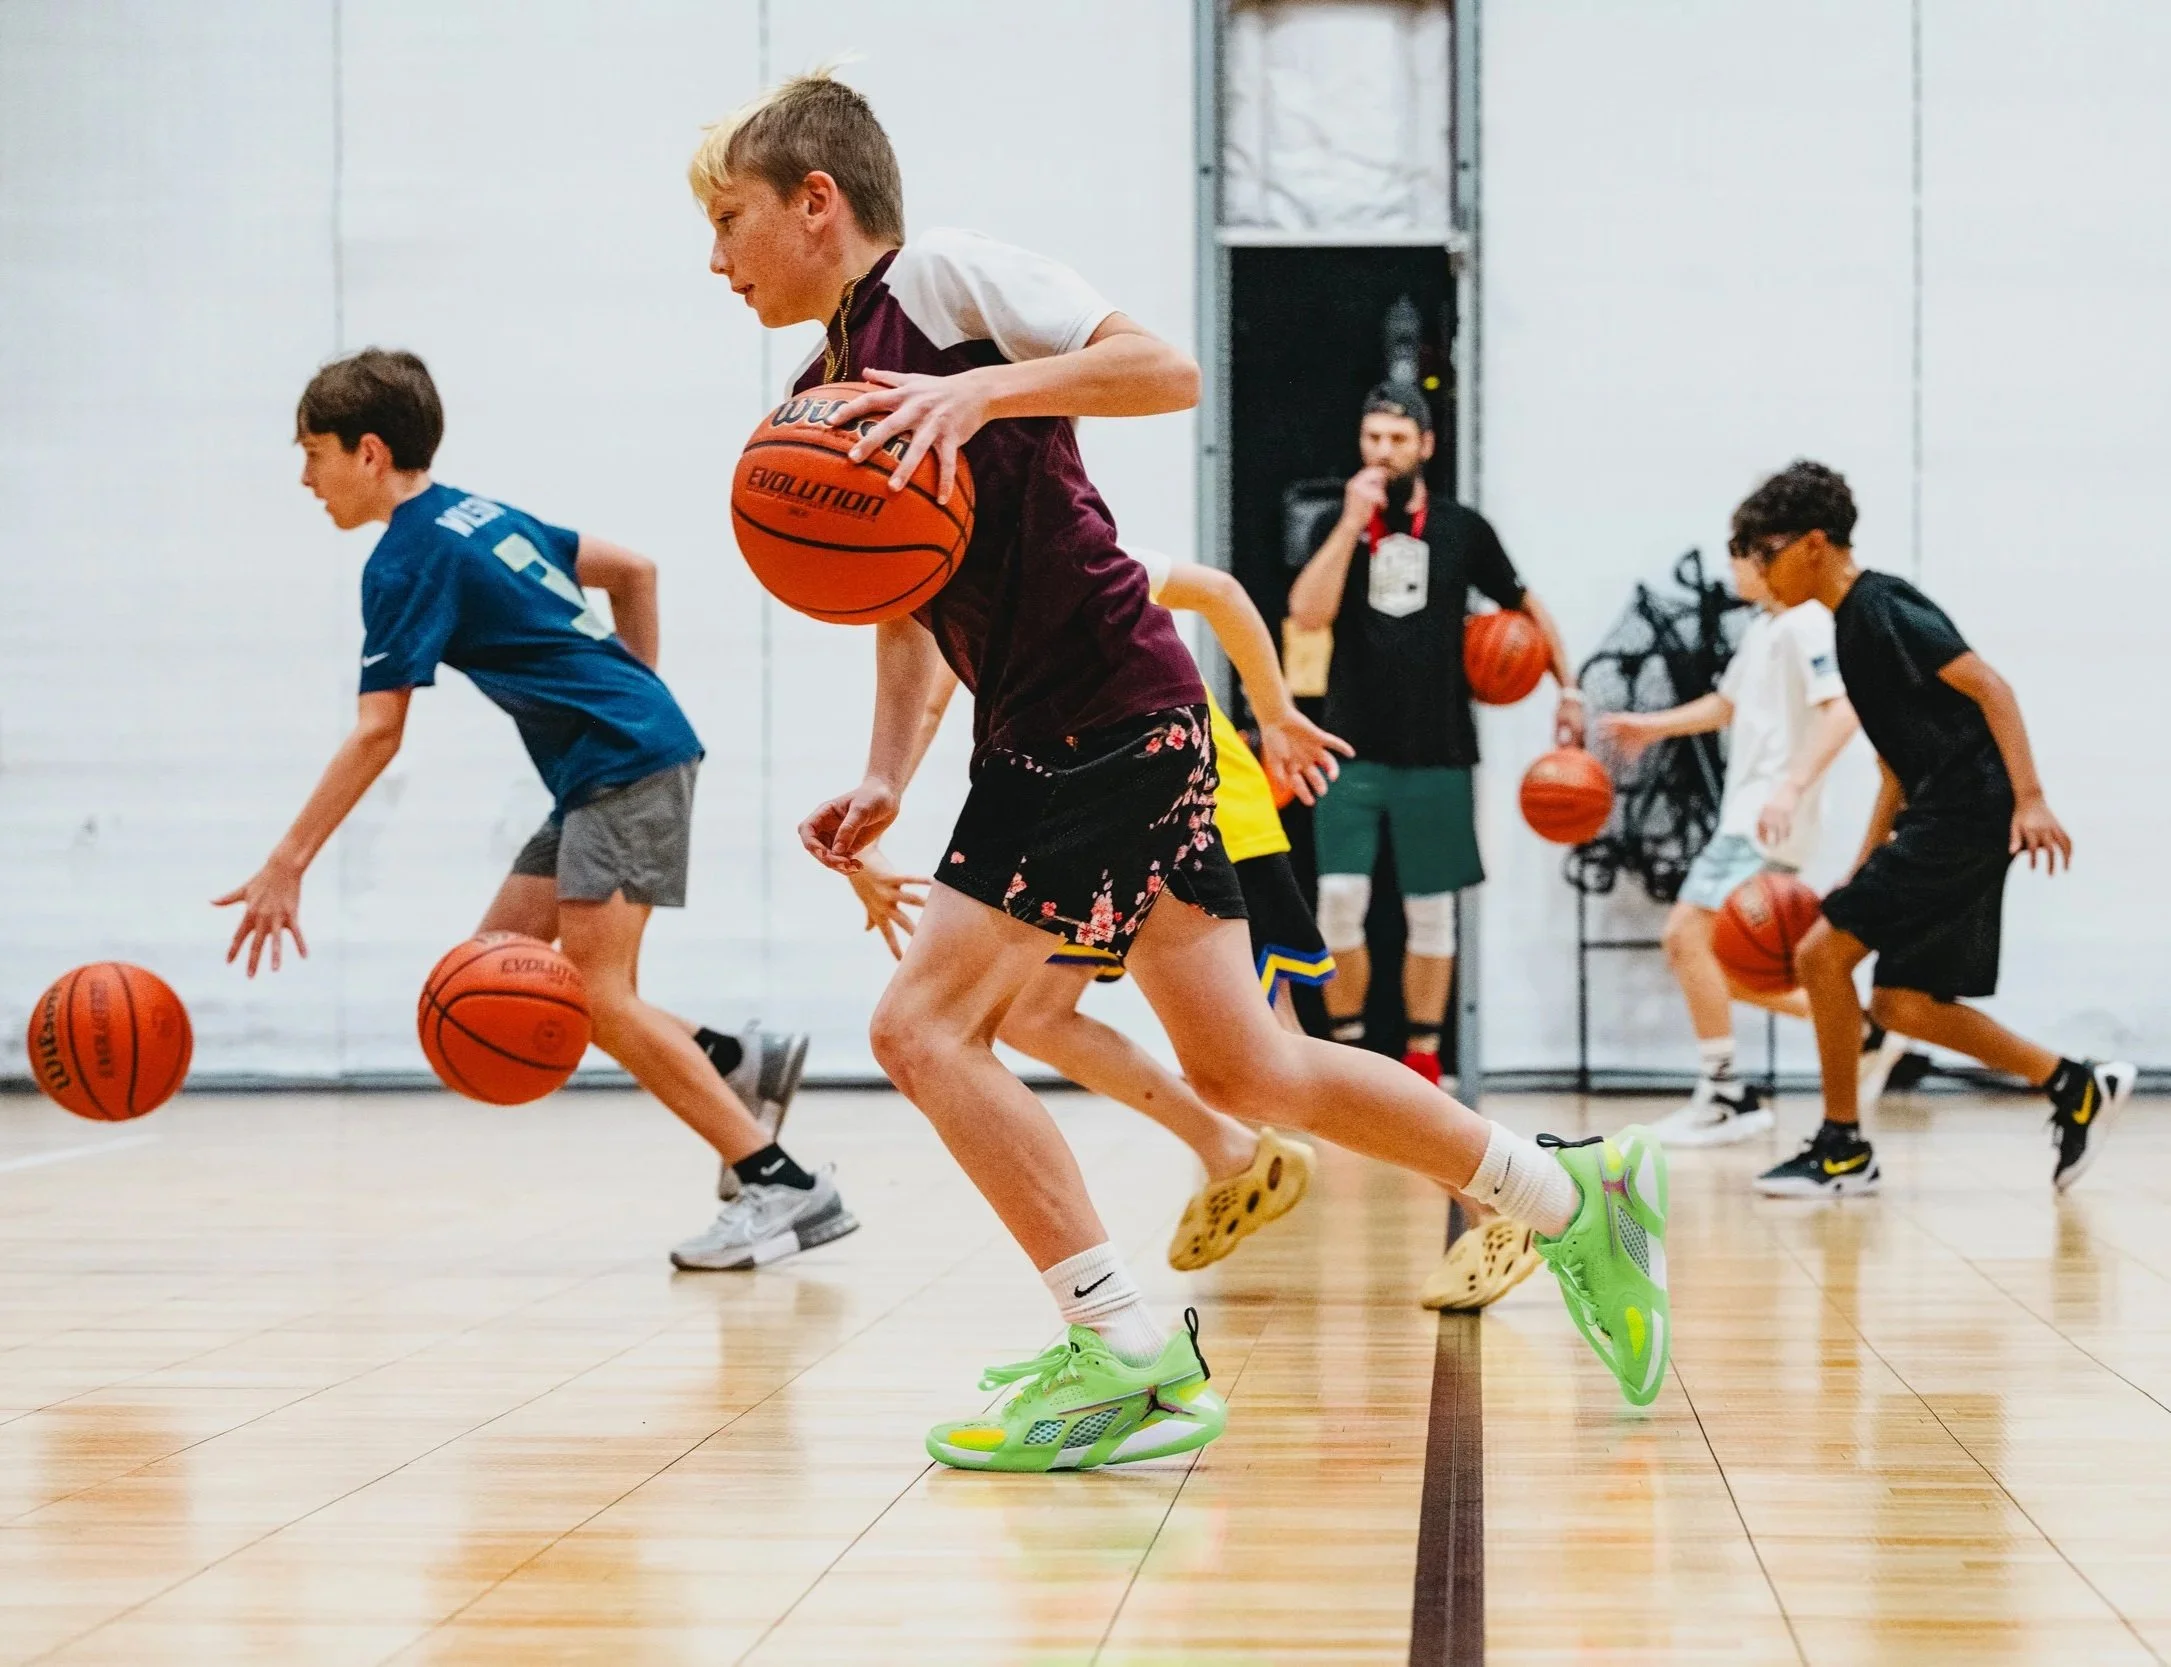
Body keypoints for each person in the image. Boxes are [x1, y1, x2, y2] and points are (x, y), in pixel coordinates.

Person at [693, 68, 1673, 1472]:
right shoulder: (820, 397)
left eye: (727, 219)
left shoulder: (947, 283)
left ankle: (1126, 1357)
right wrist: (883, 776)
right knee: (1252, 1064)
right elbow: (908, 610)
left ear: (815, 201)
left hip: (1102, 712)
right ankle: (1571, 1194)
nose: (713, 258)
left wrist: (981, 399)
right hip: (1070, 723)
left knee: (922, 1029)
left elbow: (1166, 368)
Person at [216, 348, 841, 1269]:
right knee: (490, 966)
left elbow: (376, 733)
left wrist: (288, 861)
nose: (304, 477)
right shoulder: (475, 512)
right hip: (610, 761)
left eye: (312, 452)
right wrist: (632, 695)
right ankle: (736, 1059)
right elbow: (634, 570)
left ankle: (780, 1182)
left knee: (596, 994)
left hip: (622, 763)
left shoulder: (405, 557)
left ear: (369, 452)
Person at [842, 545, 1338, 1273]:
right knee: (1032, 1013)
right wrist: (870, 818)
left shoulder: (1064, 552)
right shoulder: (958, 583)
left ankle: (1491, 1191)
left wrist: (1278, 713)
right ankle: (1229, 1150)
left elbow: (1222, 592)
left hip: (1200, 803)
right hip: (1103, 809)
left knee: (1270, 1054)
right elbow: (926, 698)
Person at [1724, 461, 2134, 1197]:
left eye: (1766, 550)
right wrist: (1862, 860)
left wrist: (2030, 797)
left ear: (1814, 543)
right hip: (1944, 816)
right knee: (1901, 1003)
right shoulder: (1846, 629)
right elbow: (1891, 763)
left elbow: (1990, 685)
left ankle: (1842, 1149)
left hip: (1964, 814)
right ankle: (2073, 1085)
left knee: (1820, 955)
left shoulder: (1882, 607)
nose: (1759, 569)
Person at [1285, 385, 1582, 1085]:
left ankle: (1421, 1053)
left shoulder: (1460, 528)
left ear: (1425, 445)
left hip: (1438, 748)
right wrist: (1349, 522)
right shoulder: (1338, 521)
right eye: (1371, 439)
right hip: (1349, 745)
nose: (1382, 452)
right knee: (1338, 903)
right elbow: (1305, 614)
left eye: (1395, 439)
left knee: (1430, 913)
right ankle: (1353, 1052)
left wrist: (1565, 687)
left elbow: (1524, 604)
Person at [1601, 541, 1873, 1146]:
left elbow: (1842, 711)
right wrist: (1650, 726)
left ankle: (1725, 1094)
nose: (1729, 573)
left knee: (1684, 939)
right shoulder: (1764, 627)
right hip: (1747, 817)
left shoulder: (1805, 622)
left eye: (1738, 559)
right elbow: (1728, 705)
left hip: (1765, 818)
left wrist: (1790, 787)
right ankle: (1857, 1026)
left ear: (1765, 559)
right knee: (1721, 958)